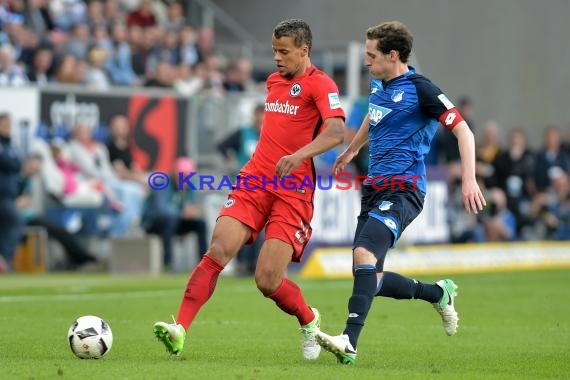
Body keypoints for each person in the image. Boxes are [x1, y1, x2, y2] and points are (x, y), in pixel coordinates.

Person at [153, 19, 345, 360]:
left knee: (267, 280)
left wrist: (298, 155)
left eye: (284, 52)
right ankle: (179, 329)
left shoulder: (321, 84)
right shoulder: (273, 82)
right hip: (255, 179)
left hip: (293, 189)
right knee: (217, 250)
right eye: (274, 51)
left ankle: (309, 319)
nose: (277, 59)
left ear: (304, 50)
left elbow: (335, 132)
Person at [315, 21, 486, 365]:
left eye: (371, 55)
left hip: (405, 189)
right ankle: (438, 293)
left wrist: (469, 179)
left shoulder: (421, 89)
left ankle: (348, 341)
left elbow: (463, 131)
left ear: (392, 55)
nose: (366, 61)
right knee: (370, 277)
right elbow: (374, 117)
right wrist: (352, 149)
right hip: (374, 189)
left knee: (364, 253)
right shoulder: (379, 84)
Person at [217, 103, 266, 276]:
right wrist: (230, 160)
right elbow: (222, 145)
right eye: (258, 116)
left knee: (258, 228)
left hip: (263, 188)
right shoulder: (243, 133)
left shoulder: (269, 135)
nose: (261, 120)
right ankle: (241, 262)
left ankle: (252, 264)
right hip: (243, 186)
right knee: (242, 225)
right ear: (253, 116)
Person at [142, 157, 208, 269]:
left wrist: (193, 211)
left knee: (200, 223)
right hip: (153, 223)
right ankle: (168, 262)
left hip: (176, 221)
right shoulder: (162, 183)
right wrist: (183, 213)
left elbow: (193, 204)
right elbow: (161, 210)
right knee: (170, 220)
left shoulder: (190, 185)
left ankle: (205, 264)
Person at [0, 112, 22, 272]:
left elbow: (17, 164)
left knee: (8, 226)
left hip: (9, 195)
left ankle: (4, 261)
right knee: (14, 223)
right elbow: (11, 163)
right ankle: (5, 261)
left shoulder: (10, 145)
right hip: (2, 196)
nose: (8, 129)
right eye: (4, 125)